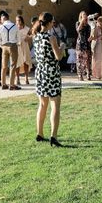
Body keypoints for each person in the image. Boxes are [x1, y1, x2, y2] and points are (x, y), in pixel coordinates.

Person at [33, 12, 64, 147]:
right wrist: (62, 47)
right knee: (55, 105)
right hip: (51, 72)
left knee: (42, 105)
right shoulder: (51, 37)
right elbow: (58, 57)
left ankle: (40, 133)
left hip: (40, 72)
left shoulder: (36, 36)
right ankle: (54, 136)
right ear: (50, 22)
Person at [0, 12, 20, 90]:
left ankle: (3, 83)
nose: (1, 20)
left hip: (4, 46)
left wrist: (1, 45)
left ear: (4, 18)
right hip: (13, 45)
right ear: (8, 17)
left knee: (4, 66)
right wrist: (17, 44)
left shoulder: (0, 27)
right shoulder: (15, 26)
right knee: (13, 65)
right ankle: (11, 85)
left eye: (1, 19)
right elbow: (18, 38)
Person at [75, 11, 92, 81]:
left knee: (88, 60)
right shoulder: (78, 23)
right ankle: (80, 75)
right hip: (80, 44)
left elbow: (89, 34)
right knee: (80, 60)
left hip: (87, 44)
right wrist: (82, 21)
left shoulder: (88, 26)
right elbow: (78, 30)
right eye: (83, 15)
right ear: (81, 16)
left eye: (86, 14)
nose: (85, 16)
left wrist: (91, 37)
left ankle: (88, 74)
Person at [15, 15, 32, 86]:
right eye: (16, 20)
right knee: (18, 62)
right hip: (18, 46)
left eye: (19, 20)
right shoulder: (15, 28)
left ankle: (26, 78)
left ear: (22, 20)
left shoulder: (27, 28)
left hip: (25, 46)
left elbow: (32, 34)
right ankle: (17, 78)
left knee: (26, 62)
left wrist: (28, 38)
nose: (18, 22)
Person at [90, 15, 102, 79]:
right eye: (100, 22)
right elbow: (93, 36)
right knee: (97, 59)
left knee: (101, 59)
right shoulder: (96, 28)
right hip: (97, 44)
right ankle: (96, 74)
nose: (101, 23)